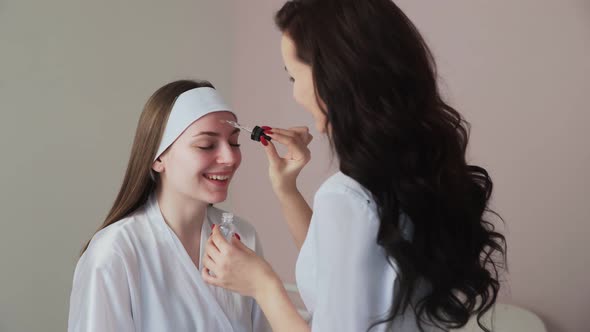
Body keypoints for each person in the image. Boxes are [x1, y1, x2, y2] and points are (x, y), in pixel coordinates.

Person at [201, 1, 507, 331]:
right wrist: (287, 191)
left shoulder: (347, 196)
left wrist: (262, 284)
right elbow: (340, 271)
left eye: (293, 76)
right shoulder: (412, 172)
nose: (294, 93)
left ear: (330, 77)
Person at [68, 80, 271, 332]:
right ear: (158, 157)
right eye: (206, 145)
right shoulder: (115, 252)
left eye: (234, 143)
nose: (230, 157)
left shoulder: (243, 237)